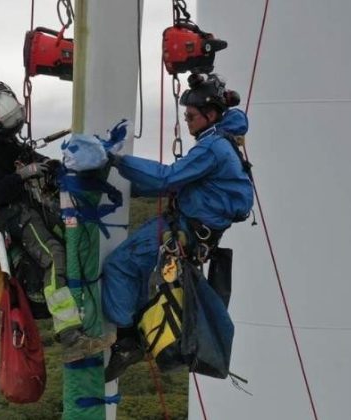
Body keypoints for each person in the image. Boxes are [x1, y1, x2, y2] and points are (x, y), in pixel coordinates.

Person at [102, 73, 254, 381]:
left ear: (210, 114)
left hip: (184, 229)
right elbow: (176, 184)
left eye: (191, 116)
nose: (187, 121)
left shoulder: (212, 148)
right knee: (143, 276)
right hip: (193, 232)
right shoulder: (223, 144)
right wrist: (124, 187)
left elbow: (166, 178)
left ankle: (126, 337)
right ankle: (135, 332)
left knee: (119, 266)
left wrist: (116, 161)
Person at [0, 81, 100, 362]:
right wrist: (21, 177)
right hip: (8, 214)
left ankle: (91, 308)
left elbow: (23, 155)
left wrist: (48, 165)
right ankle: (70, 334)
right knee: (55, 256)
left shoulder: (3, 140)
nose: (13, 138)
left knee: (80, 237)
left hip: (28, 204)